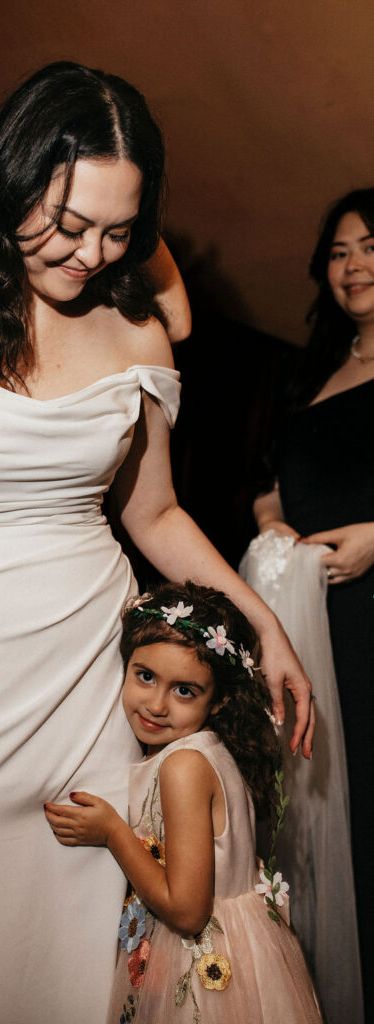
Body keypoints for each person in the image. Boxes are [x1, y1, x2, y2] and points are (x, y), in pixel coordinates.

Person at [0, 62, 314, 1023]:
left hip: (90, 666)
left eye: (118, 232)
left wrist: (264, 629)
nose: (89, 255)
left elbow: (154, 515)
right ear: (9, 187)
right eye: (67, 225)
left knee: (100, 943)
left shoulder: (135, 335)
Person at [45, 581, 322, 1024]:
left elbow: (189, 913)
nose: (156, 705)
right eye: (146, 676)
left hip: (203, 964)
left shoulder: (184, 767)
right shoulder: (202, 751)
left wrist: (113, 832)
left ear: (219, 699)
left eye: (185, 690)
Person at [251, 188, 374, 1021]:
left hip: (371, 615)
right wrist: (270, 527)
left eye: (370, 246)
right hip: (309, 616)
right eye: (337, 252)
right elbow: (267, 483)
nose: (353, 264)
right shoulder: (310, 367)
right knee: (310, 799)